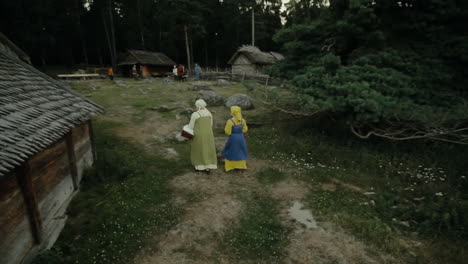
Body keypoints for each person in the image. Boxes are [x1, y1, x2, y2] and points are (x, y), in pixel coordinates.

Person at [188, 99, 217, 173]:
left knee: (198, 149)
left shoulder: (195, 114)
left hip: (199, 134)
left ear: (198, 106)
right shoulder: (209, 113)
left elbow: (191, 127)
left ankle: (199, 167)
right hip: (208, 134)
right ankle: (208, 166)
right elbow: (210, 125)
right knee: (208, 149)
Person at [222, 106, 248, 172]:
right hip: (241, 137)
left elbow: (228, 132)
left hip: (233, 138)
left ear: (232, 112)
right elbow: (245, 129)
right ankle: (241, 166)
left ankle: (230, 166)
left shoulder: (230, 121)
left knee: (231, 151)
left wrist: (231, 133)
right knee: (241, 150)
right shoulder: (243, 120)